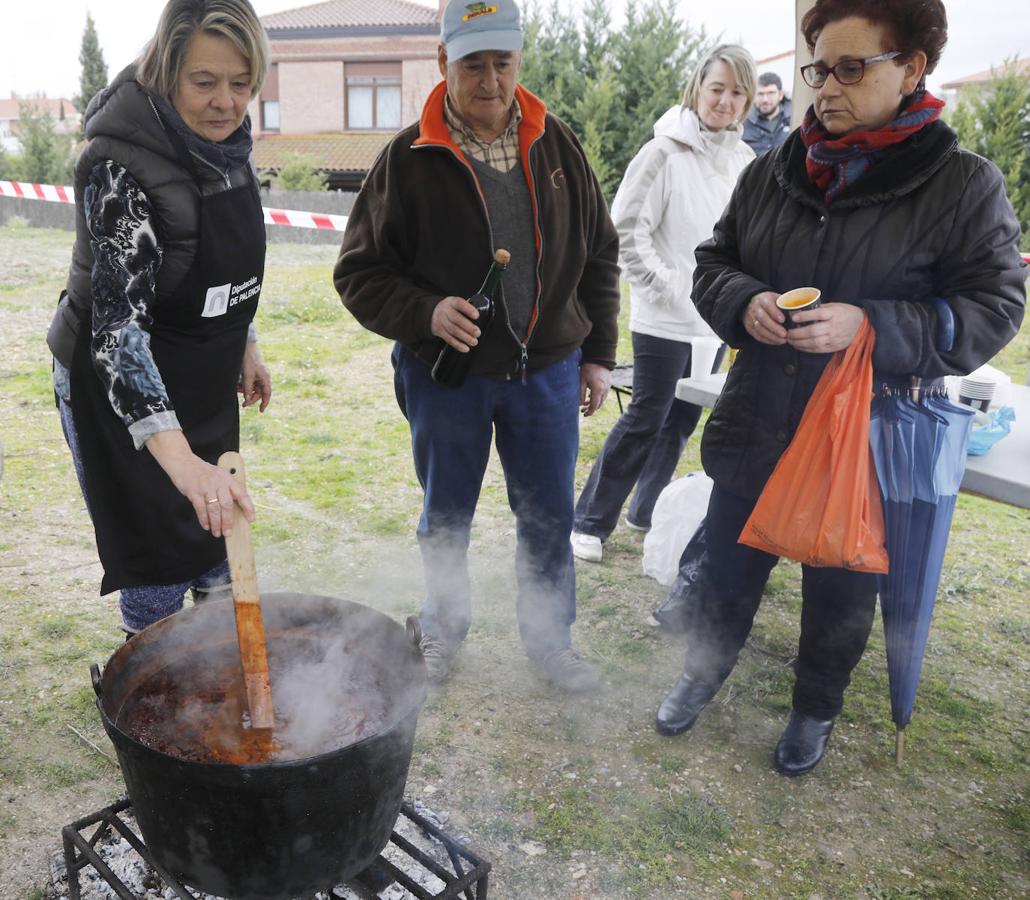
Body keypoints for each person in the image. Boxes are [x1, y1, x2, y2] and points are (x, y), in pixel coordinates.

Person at [655, 0, 1025, 776]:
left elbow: (994, 307)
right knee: (726, 569)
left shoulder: (962, 185)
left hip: (867, 432)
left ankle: (814, 709)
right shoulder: (775, 168)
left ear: (912, 68)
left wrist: (873, 329)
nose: (826, 87)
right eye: (817, 67)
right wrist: (741, 301)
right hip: (760, 414)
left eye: (851, 68)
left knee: (841, 595)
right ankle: (701, 673)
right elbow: (713, 263)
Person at [334, 0, 620, 692]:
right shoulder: (407, 158)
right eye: (473, 64)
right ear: (444, 62)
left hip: (547, 372)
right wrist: (426, 313)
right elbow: (357, 273)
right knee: (446, 517)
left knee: (549, 515)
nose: (490, 79)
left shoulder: (558, 144)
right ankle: (438, 631)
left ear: (519, 60)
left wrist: (598, 352)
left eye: (503, 62)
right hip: (448, 378)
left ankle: (552, 645)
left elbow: (600, 255)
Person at [46, 0, 272, 636]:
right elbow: (118, 336)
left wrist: (245, 343)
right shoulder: (122, 169)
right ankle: (148, 683)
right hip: (113, 378)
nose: (225, 102)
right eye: (204, 82)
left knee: (217, 539)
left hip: (199, 370)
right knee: (160, 561)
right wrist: (181, 462)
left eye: (241, 82)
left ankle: (214, 672)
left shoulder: (228, 148)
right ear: (166, 73)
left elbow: (217, 257)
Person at [570, 44, 757, 565]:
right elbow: (626, 228)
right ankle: (589, 521)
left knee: (681, 422)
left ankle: (645, 509)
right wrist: (667, 286)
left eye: (736, 92)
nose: (724, 100)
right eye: (717, 88)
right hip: (663, 316)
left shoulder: (744, 163)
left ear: (746, 102)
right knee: (647, 416)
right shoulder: (663, 153)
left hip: (713, 323)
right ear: (697, 87)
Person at [742, 72, 792, 155]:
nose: (765, 99)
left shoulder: (796, 118)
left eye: (770, 93)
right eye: (760, 94)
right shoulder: (742, 123)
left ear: (780, 95)